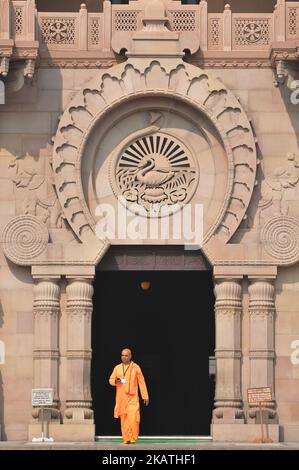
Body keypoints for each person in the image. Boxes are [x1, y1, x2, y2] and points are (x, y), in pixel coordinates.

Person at [109, 348, 149, 444]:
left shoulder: (136, 367)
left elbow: (141, 382)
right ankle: (126, 438)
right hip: (121, 398)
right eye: (122, 355)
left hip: (133, 398)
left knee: (134, 418)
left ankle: (133, 437)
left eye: (126, 355)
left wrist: (145, 396)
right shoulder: (117, 368)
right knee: (124, 419)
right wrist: (116, 381)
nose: (124, 357)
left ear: (130, 356)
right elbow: (110, 380)